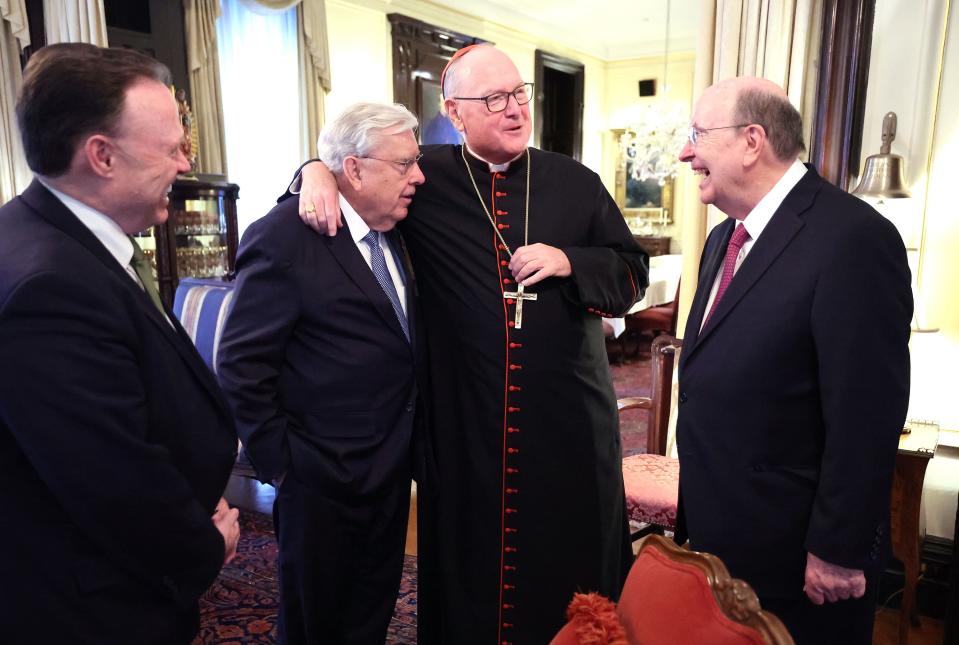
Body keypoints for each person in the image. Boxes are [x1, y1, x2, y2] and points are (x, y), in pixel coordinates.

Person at [293, 44, 649, 644]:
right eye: (493, 100)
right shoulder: (422, 176)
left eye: (518, 95)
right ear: (454, 114)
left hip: (567, 425)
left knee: (571, 563)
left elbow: (632, 275)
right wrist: (315, 172)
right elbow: (353, 171)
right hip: (464, 425)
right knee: (469, 568)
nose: (513, 110)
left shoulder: (575, 183)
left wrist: (571, 260)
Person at [0, 43, 239, 644]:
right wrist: (203, 545)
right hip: (94, 607)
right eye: (172, 149)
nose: (186, 165)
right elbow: (112, 478)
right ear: (101, 156)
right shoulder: (49, 285)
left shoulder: (39, 232)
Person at [674, 77, 912, 643]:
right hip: (723, 538)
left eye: (698, 134)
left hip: (799, 559)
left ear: (752, 141)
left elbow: (866, 415)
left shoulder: (854, 238)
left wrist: (837, 548)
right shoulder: (724, 238)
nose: (686, 151)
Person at [216, 102, 427, 645]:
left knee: (369, 615)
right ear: (354, 169)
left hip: (388, 470)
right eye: (404, 165)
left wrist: (311, 166)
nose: (418, 176)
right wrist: (285, 466)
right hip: (319, 481)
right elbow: (241, 365)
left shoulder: (396, 229)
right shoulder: (285, 237)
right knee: (317, 624)